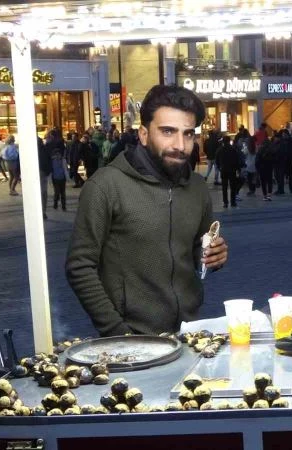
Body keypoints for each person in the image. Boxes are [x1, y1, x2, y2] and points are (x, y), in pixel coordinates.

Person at [66, 84, 228, 336]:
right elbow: (79, 266)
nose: (180, 145)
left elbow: (197, 249)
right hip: (132, 338)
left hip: (188, 333)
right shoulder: (106, 186)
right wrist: (117, 332)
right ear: (143, 134)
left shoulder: (197, 187)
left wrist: (212, 256)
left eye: (188, 134)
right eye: (167, 132)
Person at [216, 135, 241, 208]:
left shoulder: (220, 150)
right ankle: (233, 202)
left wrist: (219, 167)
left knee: (224, 187)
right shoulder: (233, 149)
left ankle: (225, 202)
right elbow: (236, 160)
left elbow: (217, 160)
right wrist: (238, 169)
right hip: (232, 170)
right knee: (233, 186)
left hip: (223, 170)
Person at [256, 135, 276, 201]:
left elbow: (257, 160)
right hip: (269, 167)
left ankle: (265, 195)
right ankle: (269, 194)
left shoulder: (260, 150)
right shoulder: (271, 150)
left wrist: (257, 168)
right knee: (269, 181)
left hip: (262, 168)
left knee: (263, 182)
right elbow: (274, 158)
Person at [274, 129, 292, 195]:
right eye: (283, 135)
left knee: (288, 175)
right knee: (280, 176)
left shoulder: (290, 141)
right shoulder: (281, 142)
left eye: (285, 134)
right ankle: (281, 189)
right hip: (282, 161)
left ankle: (290, 189)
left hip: (288, 161)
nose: (284, 136)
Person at [38, 135, 52, 220]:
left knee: (39, 193)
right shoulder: (44, 149)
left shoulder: (30, 150)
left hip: (36, 172)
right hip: (42, 172)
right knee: (43, 193)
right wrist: (48, 171)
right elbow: (48, 161)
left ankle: (39, 211)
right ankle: (43, 211)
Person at [51, 147, 69, 211]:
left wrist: (67, 178)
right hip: (55, 179)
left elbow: (65, 170)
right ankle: (55, 204)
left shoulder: (63, 161)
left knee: (63, 193)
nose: (58, 156)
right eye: (56, 154)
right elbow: (51, 171)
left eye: (59, 154)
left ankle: (63, 206)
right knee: (57, 192)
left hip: (62, 178)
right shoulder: (52, 161)